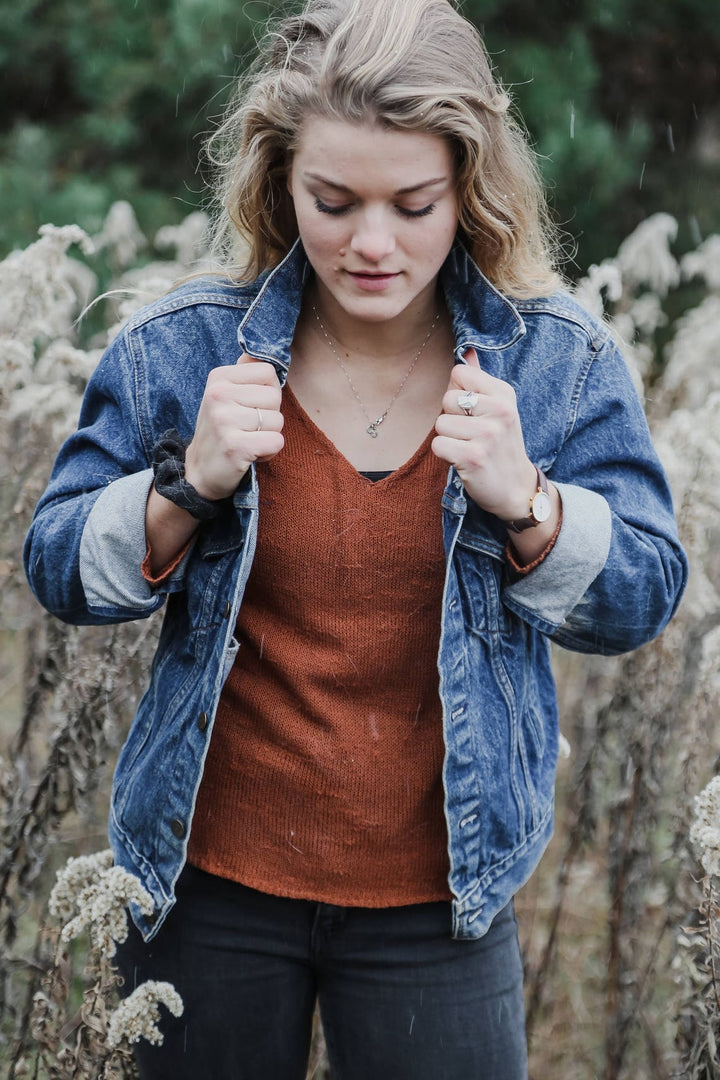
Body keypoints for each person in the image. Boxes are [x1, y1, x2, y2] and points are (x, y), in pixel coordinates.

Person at [24, 0, 687, 1077]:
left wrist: (531, 504)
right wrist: (185, 488)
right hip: (209, 885)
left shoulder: (556, 363)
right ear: (279, 182)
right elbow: (59, 566)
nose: (371, 243)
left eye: (413, 204)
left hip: (443, 899)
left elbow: (645, 595)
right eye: (333, 201)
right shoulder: (180, 345)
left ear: (470, 188)